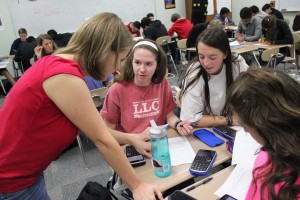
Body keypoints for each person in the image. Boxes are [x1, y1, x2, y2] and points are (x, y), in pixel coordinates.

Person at [0, 13, 162, 200]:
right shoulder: (65, 76)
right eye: (119, 59)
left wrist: (132, 139)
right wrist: (138, 185)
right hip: (12, 180)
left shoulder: (58, 62)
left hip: (24, 173)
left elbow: (95, 128)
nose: (118, 68)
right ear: (105, 50)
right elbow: (101, 140)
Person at [225, 68, 300, 200]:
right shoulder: (269, 155)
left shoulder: (270, 170)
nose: (246, 131)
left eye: (244, 125)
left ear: (263, 125)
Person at [100, 39, 193, 143]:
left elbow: (169, 115)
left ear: (157, 65)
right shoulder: (117, 89)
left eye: (148, 64)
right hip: (130, 144)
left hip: (157, 141)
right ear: (131, 62)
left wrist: (178, 124)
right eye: (137, 62)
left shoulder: (162, 83)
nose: (142, 69)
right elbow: (108, 131)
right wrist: (137, 138)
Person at [179, 28, 249, 127]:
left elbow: (251, 96)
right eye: (201, 57)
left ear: (225, 54)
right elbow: (190, 119)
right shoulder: (195, 73)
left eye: (212, 58)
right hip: (207, 129)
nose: (206, 63)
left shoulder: (237, 63)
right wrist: (228, 120)